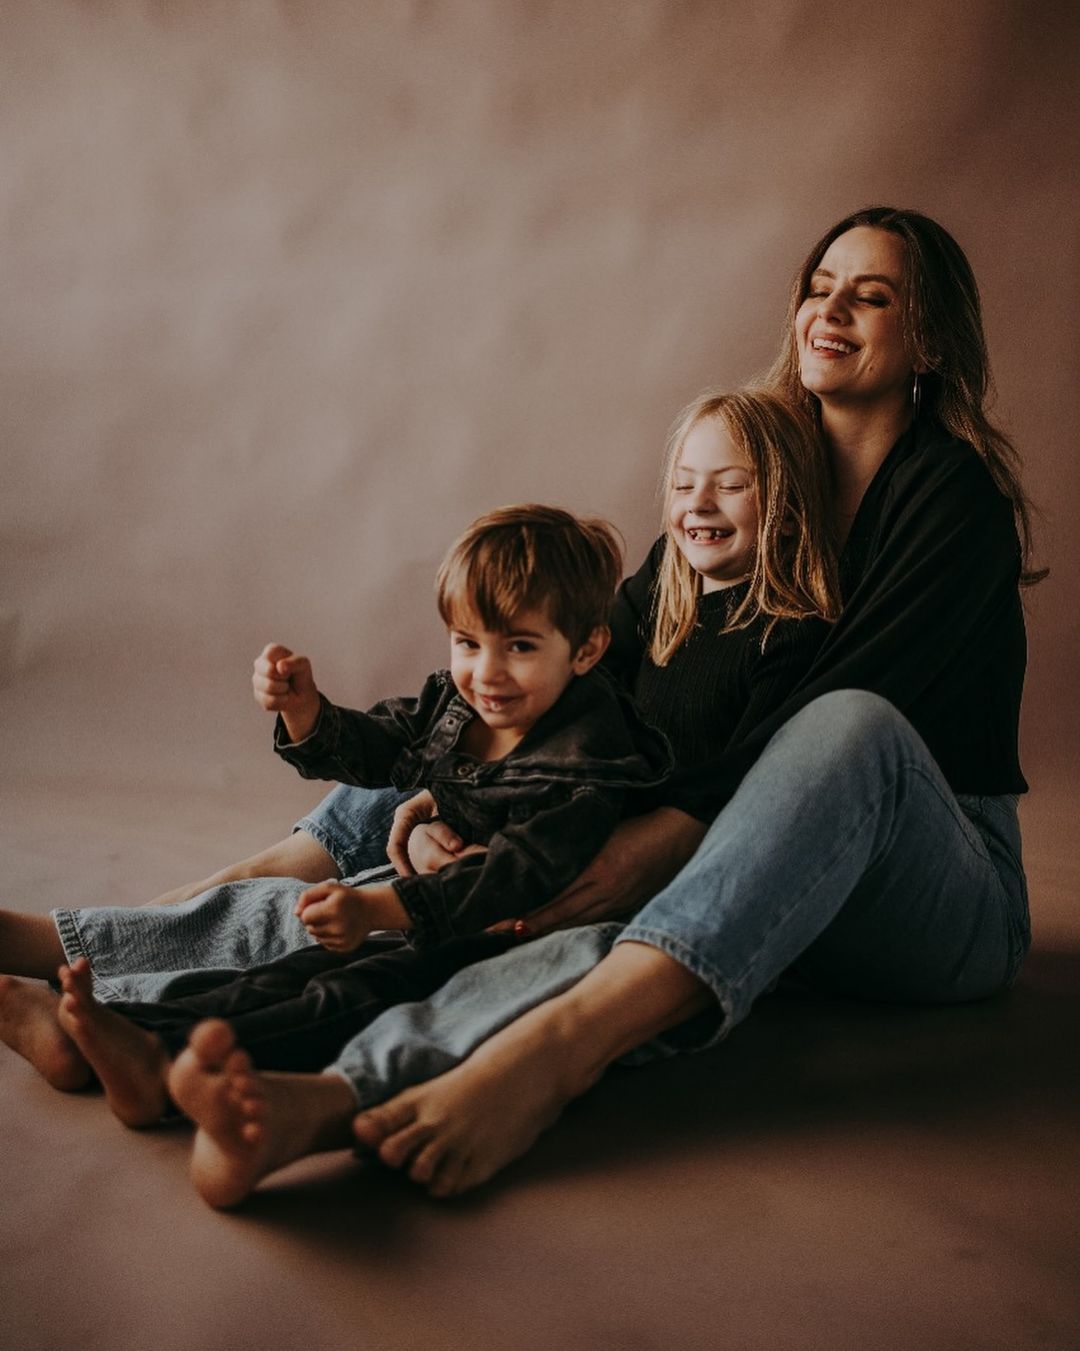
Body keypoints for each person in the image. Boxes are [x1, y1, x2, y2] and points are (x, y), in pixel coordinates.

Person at [162, 205, 1038, 1207]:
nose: (828, 310)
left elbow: (830, 697)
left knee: (848, 725)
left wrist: (660, 833)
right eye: (819, 286)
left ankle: (555, 1055)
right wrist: (462, 795)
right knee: (507, 716)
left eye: (869, 296)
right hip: (755, 867)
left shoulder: (952, 504)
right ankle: (158, 952)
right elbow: (607, 681)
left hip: (932, 887)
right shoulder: (749, 468)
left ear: (927, 339)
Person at [0, 504, 677, 1108]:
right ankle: (107, 1025)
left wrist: (377, 909)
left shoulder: (588, 762)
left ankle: (158, 1059)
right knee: (277, 952)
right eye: (469, 643)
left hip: (507, 932)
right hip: (424, 900)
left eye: (520, 647)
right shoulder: (459, 704)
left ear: (586, 649)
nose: (488, 672)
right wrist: (306, 711)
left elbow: (515, 877)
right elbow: (383, 746)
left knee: (342, 989)